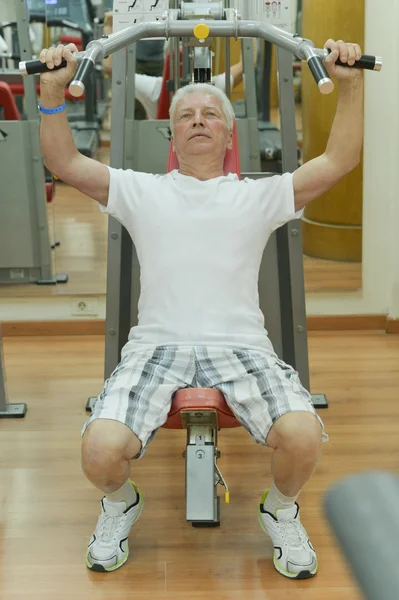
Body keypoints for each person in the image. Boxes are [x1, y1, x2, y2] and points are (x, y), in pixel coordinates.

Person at [38, 37, 363, 579]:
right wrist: (51, 93)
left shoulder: (257, 195)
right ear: (172, 134)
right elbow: (63, 161)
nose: (197, 120)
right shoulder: (141, 191)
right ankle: (120, 504)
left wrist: (350, 86)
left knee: (304, 436)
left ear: (229, 134)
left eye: (211, 113)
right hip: (155, 349)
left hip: (242, 349)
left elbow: (340, 159)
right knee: (99, 452)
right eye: (185, 114)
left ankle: (280, 509)